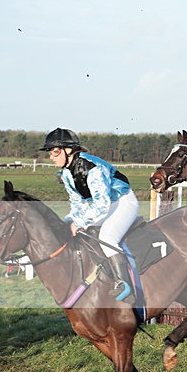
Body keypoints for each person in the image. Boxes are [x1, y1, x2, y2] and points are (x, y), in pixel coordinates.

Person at [40, 128, 139, 302]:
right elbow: (78, 203)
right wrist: (67, 222)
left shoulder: (91, 167)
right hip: (106, 205)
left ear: (68, 150)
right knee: (83, 233)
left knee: (107, 236)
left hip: (123, 202)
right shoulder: (66, 173)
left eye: (55, 152)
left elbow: (101, 203)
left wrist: (78, 223)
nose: (51, 157)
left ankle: (124, 284)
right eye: (50, 153)